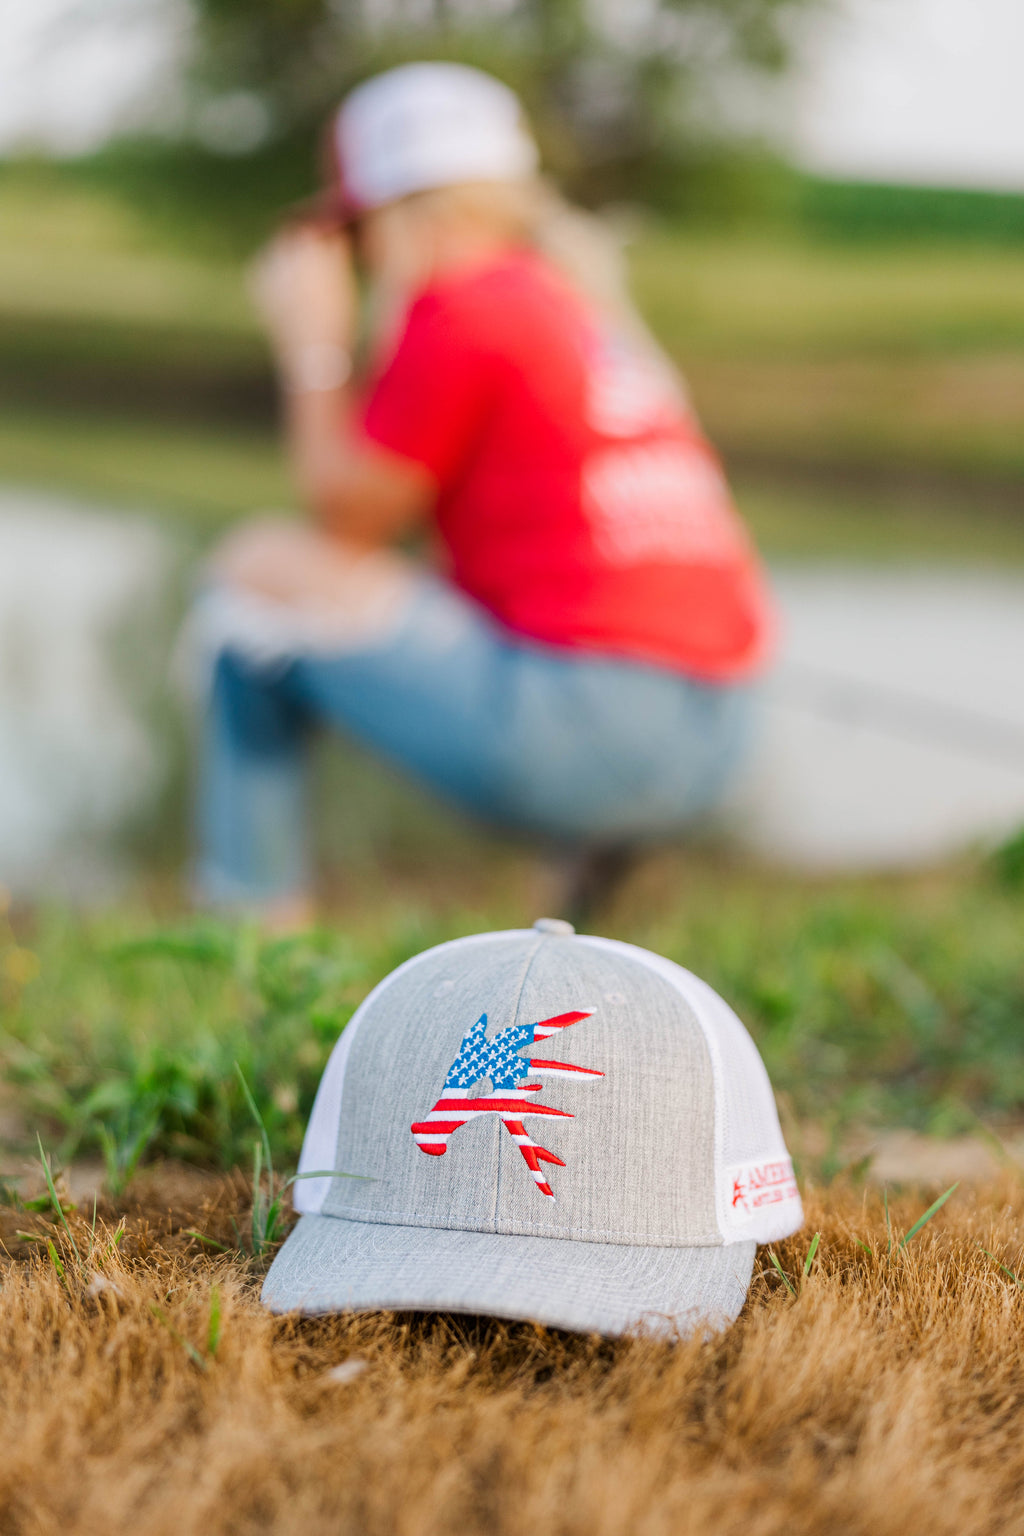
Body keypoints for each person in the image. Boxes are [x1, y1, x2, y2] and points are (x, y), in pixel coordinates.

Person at [193, 62, 775, 927]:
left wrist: (312, 345)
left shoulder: (463, 310)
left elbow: (345, 519)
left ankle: (250, 922)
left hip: (592, 741)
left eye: (353, 232)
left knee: (255, 582)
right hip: (724, 737)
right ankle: (598, 901)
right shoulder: (577, 310)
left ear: (392, 212)